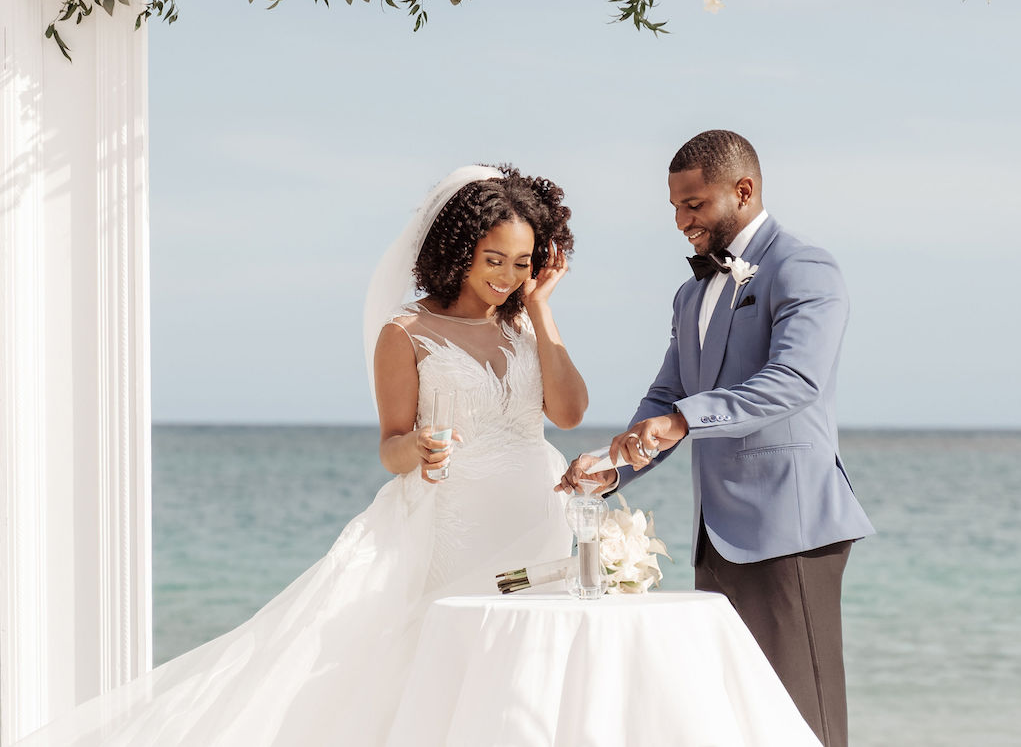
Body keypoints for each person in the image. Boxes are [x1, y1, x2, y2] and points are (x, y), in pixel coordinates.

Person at [19, 164, 586, 746]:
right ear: (462, 248)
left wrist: (540, 308)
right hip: (454, 526)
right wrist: (417, 446)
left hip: (535, 517)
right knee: (444, 666)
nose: (508, 277)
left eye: (523, 263)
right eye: (495, 260)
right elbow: (391, 447)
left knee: (522, 673)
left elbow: (568, 414)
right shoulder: (406, 331)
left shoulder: (525, 323)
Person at [559, 131, 874, 747]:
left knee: (806, 721)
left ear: (743, 191)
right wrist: (611, 468)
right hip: (716, 539)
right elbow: (665, 397)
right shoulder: (690, 293)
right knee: (735, 720)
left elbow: (794, 380)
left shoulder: (803, 266)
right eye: (675, 207)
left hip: (793, 531)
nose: (681, 221)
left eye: (695, 205)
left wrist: (681, 420)